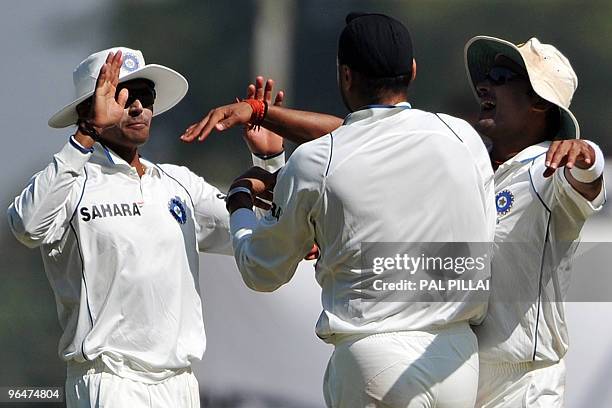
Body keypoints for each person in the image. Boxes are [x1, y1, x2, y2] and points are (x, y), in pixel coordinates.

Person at [183, 13, 496, 407]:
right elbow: (367, 135)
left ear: (345, 76)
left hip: (375, 360)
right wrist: (267, 125)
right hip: (457, 359)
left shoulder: (317, 161)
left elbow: (262, 270)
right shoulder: (463, 137)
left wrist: (241, 200)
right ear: (413, 71)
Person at [7, 47, 284, 407]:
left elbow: (265, 233)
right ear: (87, 111)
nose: (138, 107)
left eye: (145, 97)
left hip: (180, 384)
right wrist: (87, 133)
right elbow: (26, 226)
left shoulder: (178, 184)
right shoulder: (73, 181)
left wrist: (270, 160)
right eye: (122, 97)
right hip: (110, 381)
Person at [463, 36, 606, 407]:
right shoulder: (470, 166)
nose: (483, 85)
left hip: (524, 383)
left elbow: (586, 183)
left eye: (500, 75)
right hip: (458, 374)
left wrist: (588, 156)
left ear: (540, 103)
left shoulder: (549, 169)